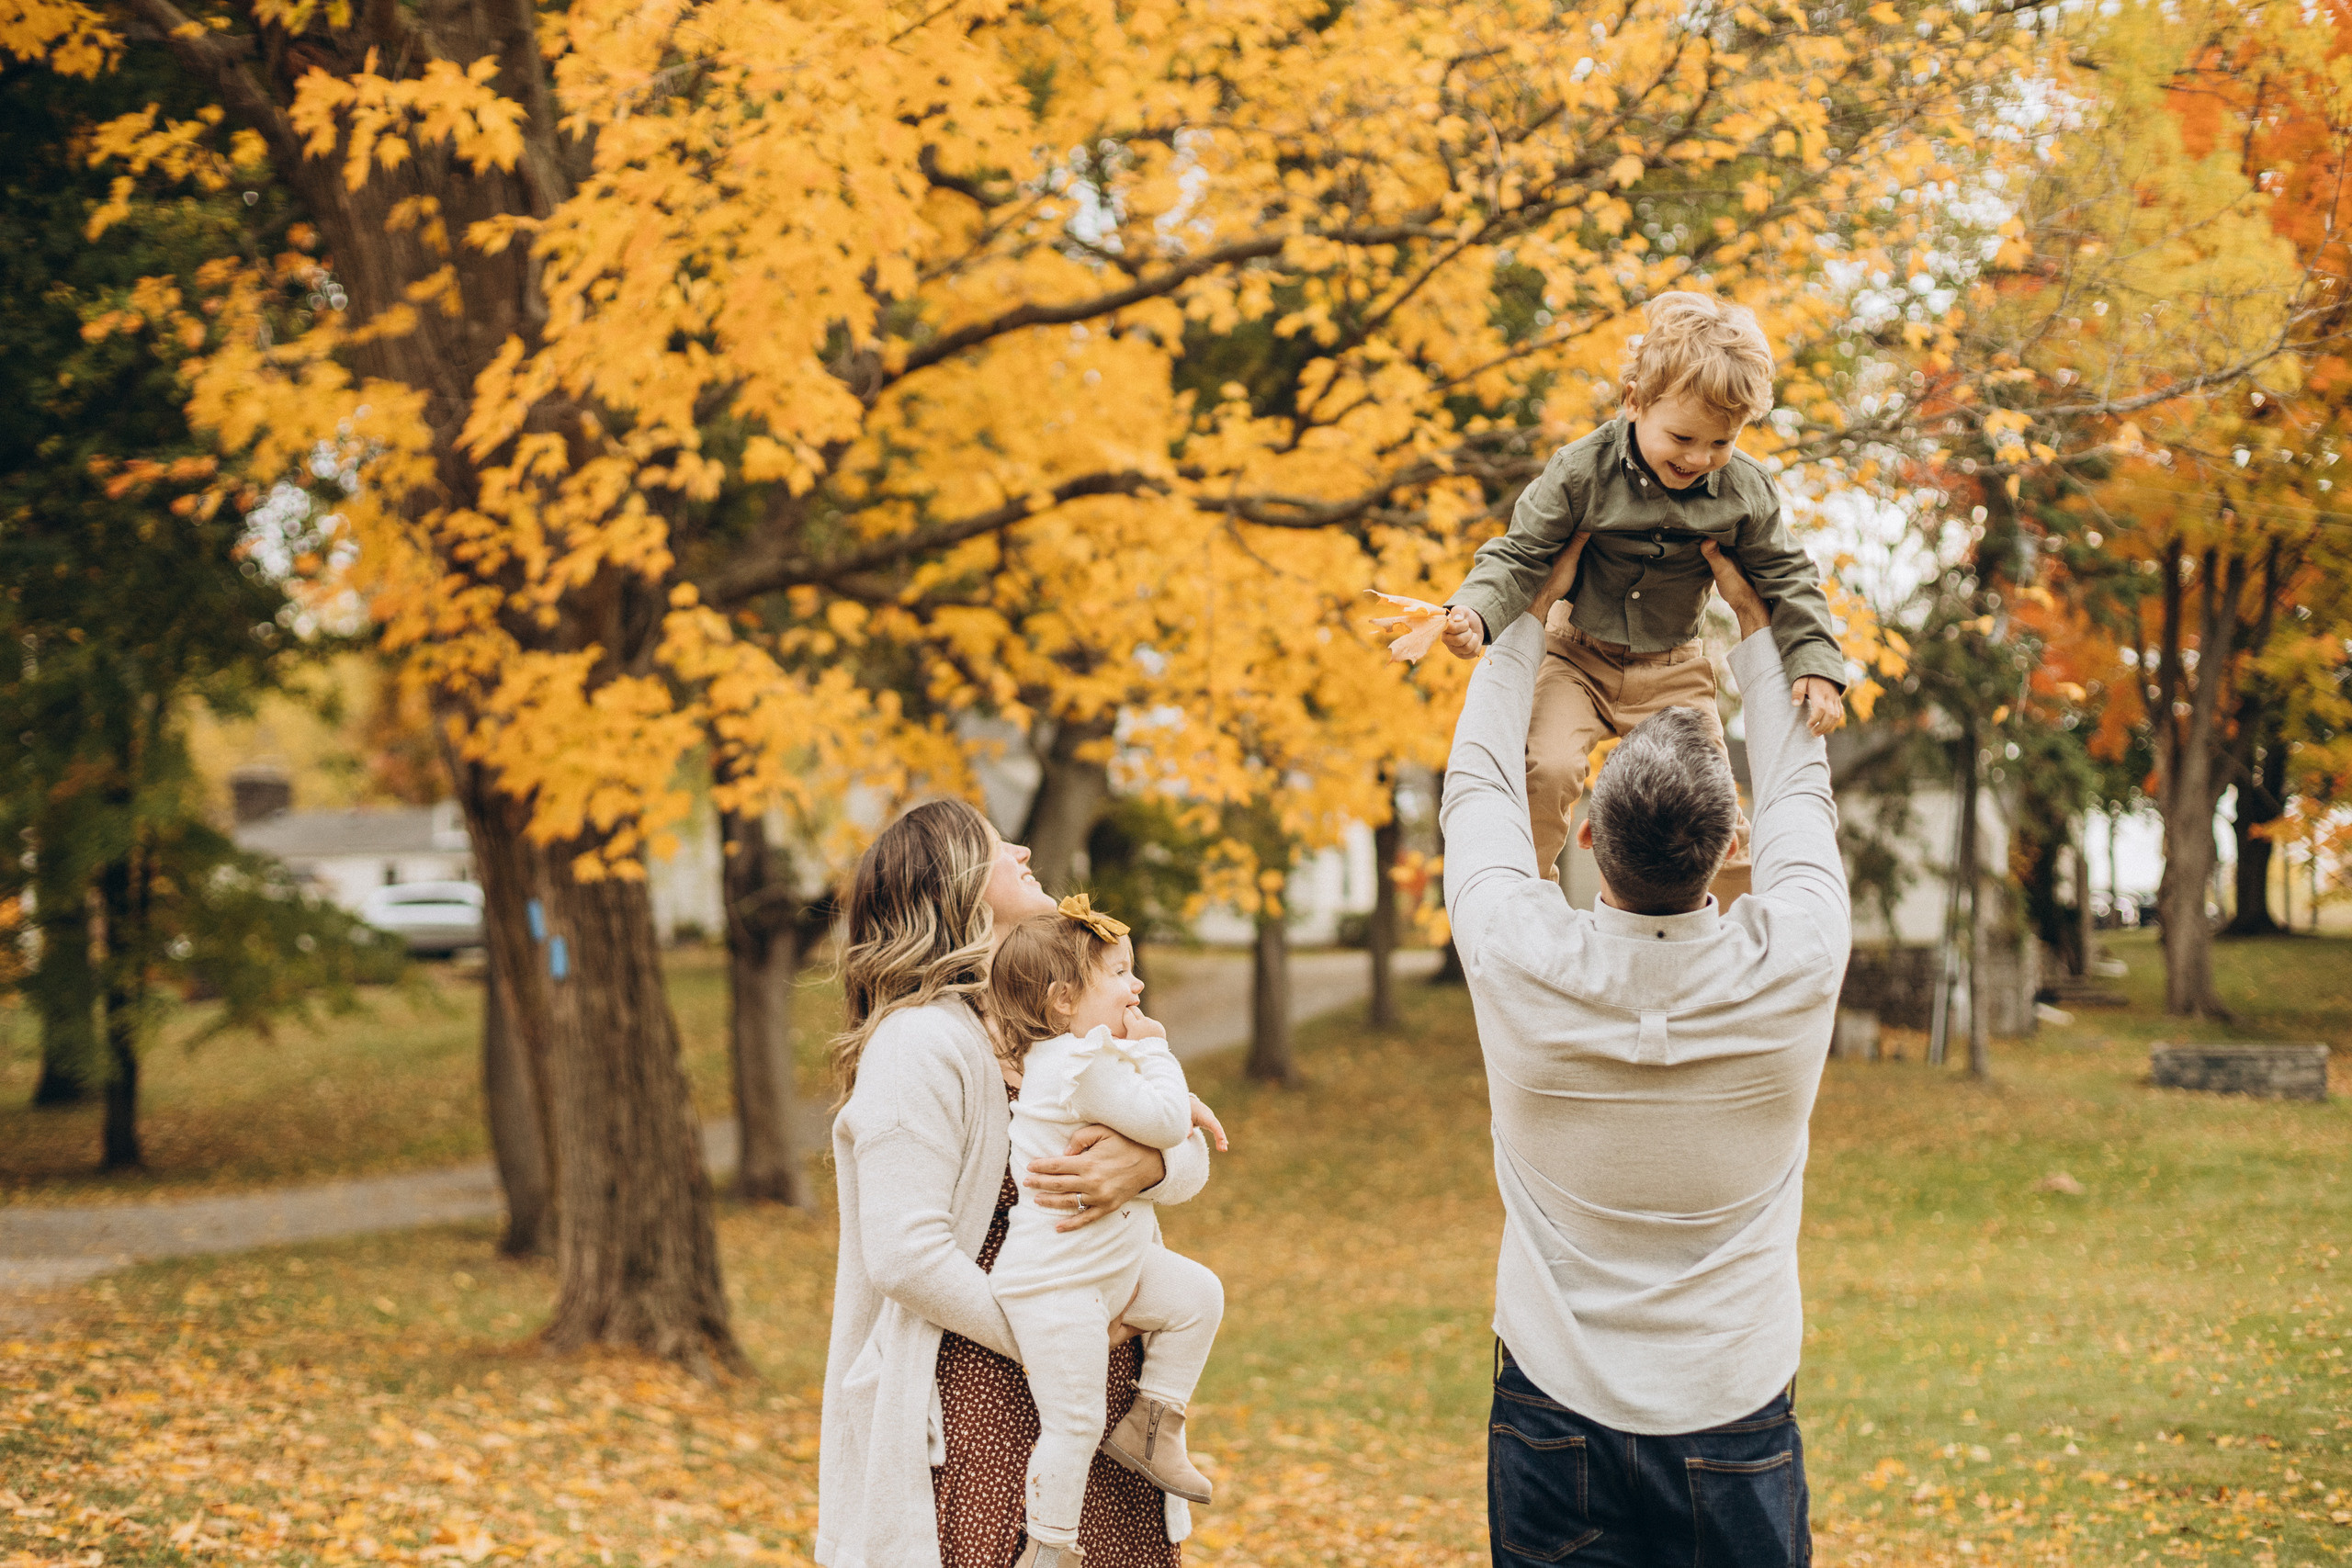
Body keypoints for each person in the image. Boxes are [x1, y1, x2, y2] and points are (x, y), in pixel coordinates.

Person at [1442, 536, 1850, 1568]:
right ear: (1726, 853)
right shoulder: (1795, 959)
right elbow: (1801, 793)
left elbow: (1479, 786)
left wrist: (1518, 612)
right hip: (1736, 1412)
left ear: (1584, 840)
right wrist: (1763, 633)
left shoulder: (1518, 955)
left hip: (1551, 1415)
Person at [818, 800, 1214, 1568]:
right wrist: (1056, 1337)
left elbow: (1189, 1135)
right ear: (956, 884)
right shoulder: (919, 1041)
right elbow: (905, 1255)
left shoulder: (1057, 1022)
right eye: (1001, 846)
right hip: (986, 1397)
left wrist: (1150, 1165)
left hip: (1091, 1383)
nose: (1028, 847)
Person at [1436, 291, 1849, 883]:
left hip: (1673, 669)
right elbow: (1521, 552)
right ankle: (1521, 898)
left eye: (1721, 442)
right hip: (1575, 656)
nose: (1701, 457)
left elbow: (1787, 574)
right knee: (1545, 770)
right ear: (1635, 402)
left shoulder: (1745, 490)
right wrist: (1474, 613)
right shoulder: (1580, 470)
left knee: (1712, 807)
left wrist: (1816, 663)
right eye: (1683, 438)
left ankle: (1718, 926)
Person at [987, 898, 1228, 1568]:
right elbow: (1159, 1119)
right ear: (1064, 1001)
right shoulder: (1075, 1064)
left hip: (1109, 1267)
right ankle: (1051, 1547)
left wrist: (1170, 1108)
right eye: (1121, 973)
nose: (1138, 985)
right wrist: (1158, 1052)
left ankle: (1155, 1420)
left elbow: (1170, 1141)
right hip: (1058, 1281)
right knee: (1074, 1421)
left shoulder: (1087, 1054)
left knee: (1197, 1295)